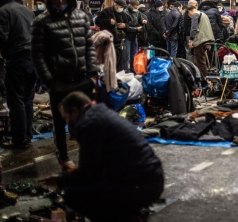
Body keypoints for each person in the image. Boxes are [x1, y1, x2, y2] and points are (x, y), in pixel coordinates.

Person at [40, 92, 164, 222]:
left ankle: (128, 217)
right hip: (151, 179)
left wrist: (60, 181)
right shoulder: (103, 114)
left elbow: (87, 173)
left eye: (66, 118)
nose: (67, 123)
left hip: (141, 186)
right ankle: (129, 213)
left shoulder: (89, 124)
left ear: (75, 111)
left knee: (73, 194)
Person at [30, 0, 98, 172]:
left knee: (86, 119)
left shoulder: (81, 17)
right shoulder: (41, 22)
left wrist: (92, 72)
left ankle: (89, 153)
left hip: (82, 77)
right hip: (58, 80)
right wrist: (49, 81)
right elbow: (37, 55)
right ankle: (63, 156)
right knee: (59, 122)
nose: (60, 1)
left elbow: (88, 46)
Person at [0, 0, 36, 148]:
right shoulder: (27, 10)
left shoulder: (3, 12)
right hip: (33, 61)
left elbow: (1, 36)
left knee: (16, 102)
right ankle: (27, 135)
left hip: (17, 61)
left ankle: (19, 139)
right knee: (27, 100)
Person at [188, 1, 215, 77]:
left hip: (200, 40)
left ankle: (203, 79)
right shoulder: (204, 14)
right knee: (202, 60)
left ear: (190, 11)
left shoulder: (195, 15)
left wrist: (191, 40)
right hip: (208, 39)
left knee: (200, 61)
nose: (189, 16)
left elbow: (194, 29)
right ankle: (201, 77)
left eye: (188, 14)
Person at [124, 0, 146, 72]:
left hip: (134, 37)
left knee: (134, 55)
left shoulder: (137, 12)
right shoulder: (125, 13)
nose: (136, 9)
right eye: (135, 8)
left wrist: (143, 21)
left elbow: (140, 18)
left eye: (137, 8)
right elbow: (126, 27)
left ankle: (133, 71)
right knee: (127, 56)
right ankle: (127, 71)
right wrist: (136, 29)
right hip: (127, 37)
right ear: (131, 6)